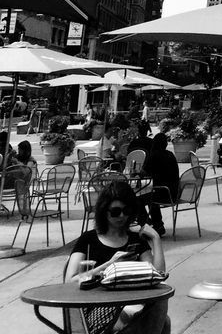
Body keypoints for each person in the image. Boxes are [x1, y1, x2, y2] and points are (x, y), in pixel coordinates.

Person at [64, 180, 169, 334]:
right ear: (104, 211)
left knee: (160, 303)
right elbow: (69, 281)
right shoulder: (89, 240)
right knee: (157, 323)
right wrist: (109, 265)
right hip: (97, 307)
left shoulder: (135, 240)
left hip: (130, 305)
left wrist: (155, 239)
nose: (121, 216)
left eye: (126, 211)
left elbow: (158, 276)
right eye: (115, 211)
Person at [141, 133, 180, 235]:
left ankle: (147, 223)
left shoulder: (154, 155)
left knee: (137, 200)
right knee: (151, 195)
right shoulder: (170, 155)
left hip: (162, 192)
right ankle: (158, 224)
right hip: (174, 192)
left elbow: (144, 172)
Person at [0, 131, 30, 213]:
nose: (18, 151)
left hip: (17, 183)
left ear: (25, 151)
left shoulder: (31, 160)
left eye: (20, 150)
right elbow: (4, 165)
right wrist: (9, 155)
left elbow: (27, 172)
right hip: (10, 179)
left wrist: (17, 162)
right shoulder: (16, 156)